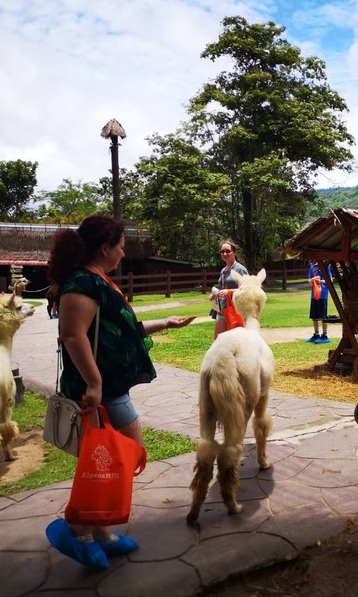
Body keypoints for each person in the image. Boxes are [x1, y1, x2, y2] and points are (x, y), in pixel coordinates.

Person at [44, 215, 194, 569]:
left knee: (114, 461)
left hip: (110, 389)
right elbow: (73, 334)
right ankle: (78, 531)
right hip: (95, 392)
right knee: (112, 459)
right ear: (105, 247)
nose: (124, 253)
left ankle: (101, 533)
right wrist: (94, 382)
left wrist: (165, 322)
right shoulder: (81, 282)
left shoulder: (98, 280)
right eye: (122, 246)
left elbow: (120, 329)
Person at [209, 240, 248, 340]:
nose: (224, 254)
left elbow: (247, 290)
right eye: (222, 252)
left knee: (237, 342)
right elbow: (223, 288)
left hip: (235, 311)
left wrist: (229, 292)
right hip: (222, 309)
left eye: (227, 251)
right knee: (218, 341)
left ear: (235, 252)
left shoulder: (240, 269)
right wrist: (215, 294)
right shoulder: (223, 270)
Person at [306, 260, 331, 344]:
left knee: (323, 316)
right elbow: (309, 281)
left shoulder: (326, 266)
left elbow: (330, 280)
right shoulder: (312, 267)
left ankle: (324, 335)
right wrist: (313, 279)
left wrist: (321, 281)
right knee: (314, 316)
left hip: (323, 294)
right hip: (314, 295)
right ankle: (316, 334)